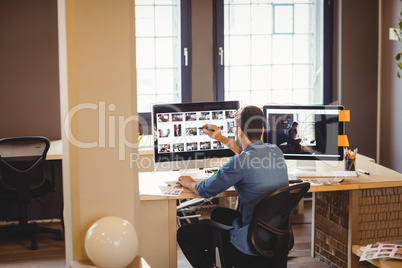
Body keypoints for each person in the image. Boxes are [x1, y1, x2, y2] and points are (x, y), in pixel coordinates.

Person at [176, 105, 289, 267]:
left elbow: (206, 190)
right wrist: (220, 137)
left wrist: (189, 182)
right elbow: (248, 152)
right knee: (218, 214)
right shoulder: (276, 151)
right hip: (275, 237)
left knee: (185, 234)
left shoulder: (239, 162)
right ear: (262, 129)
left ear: (239, 131)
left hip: (250, 243)